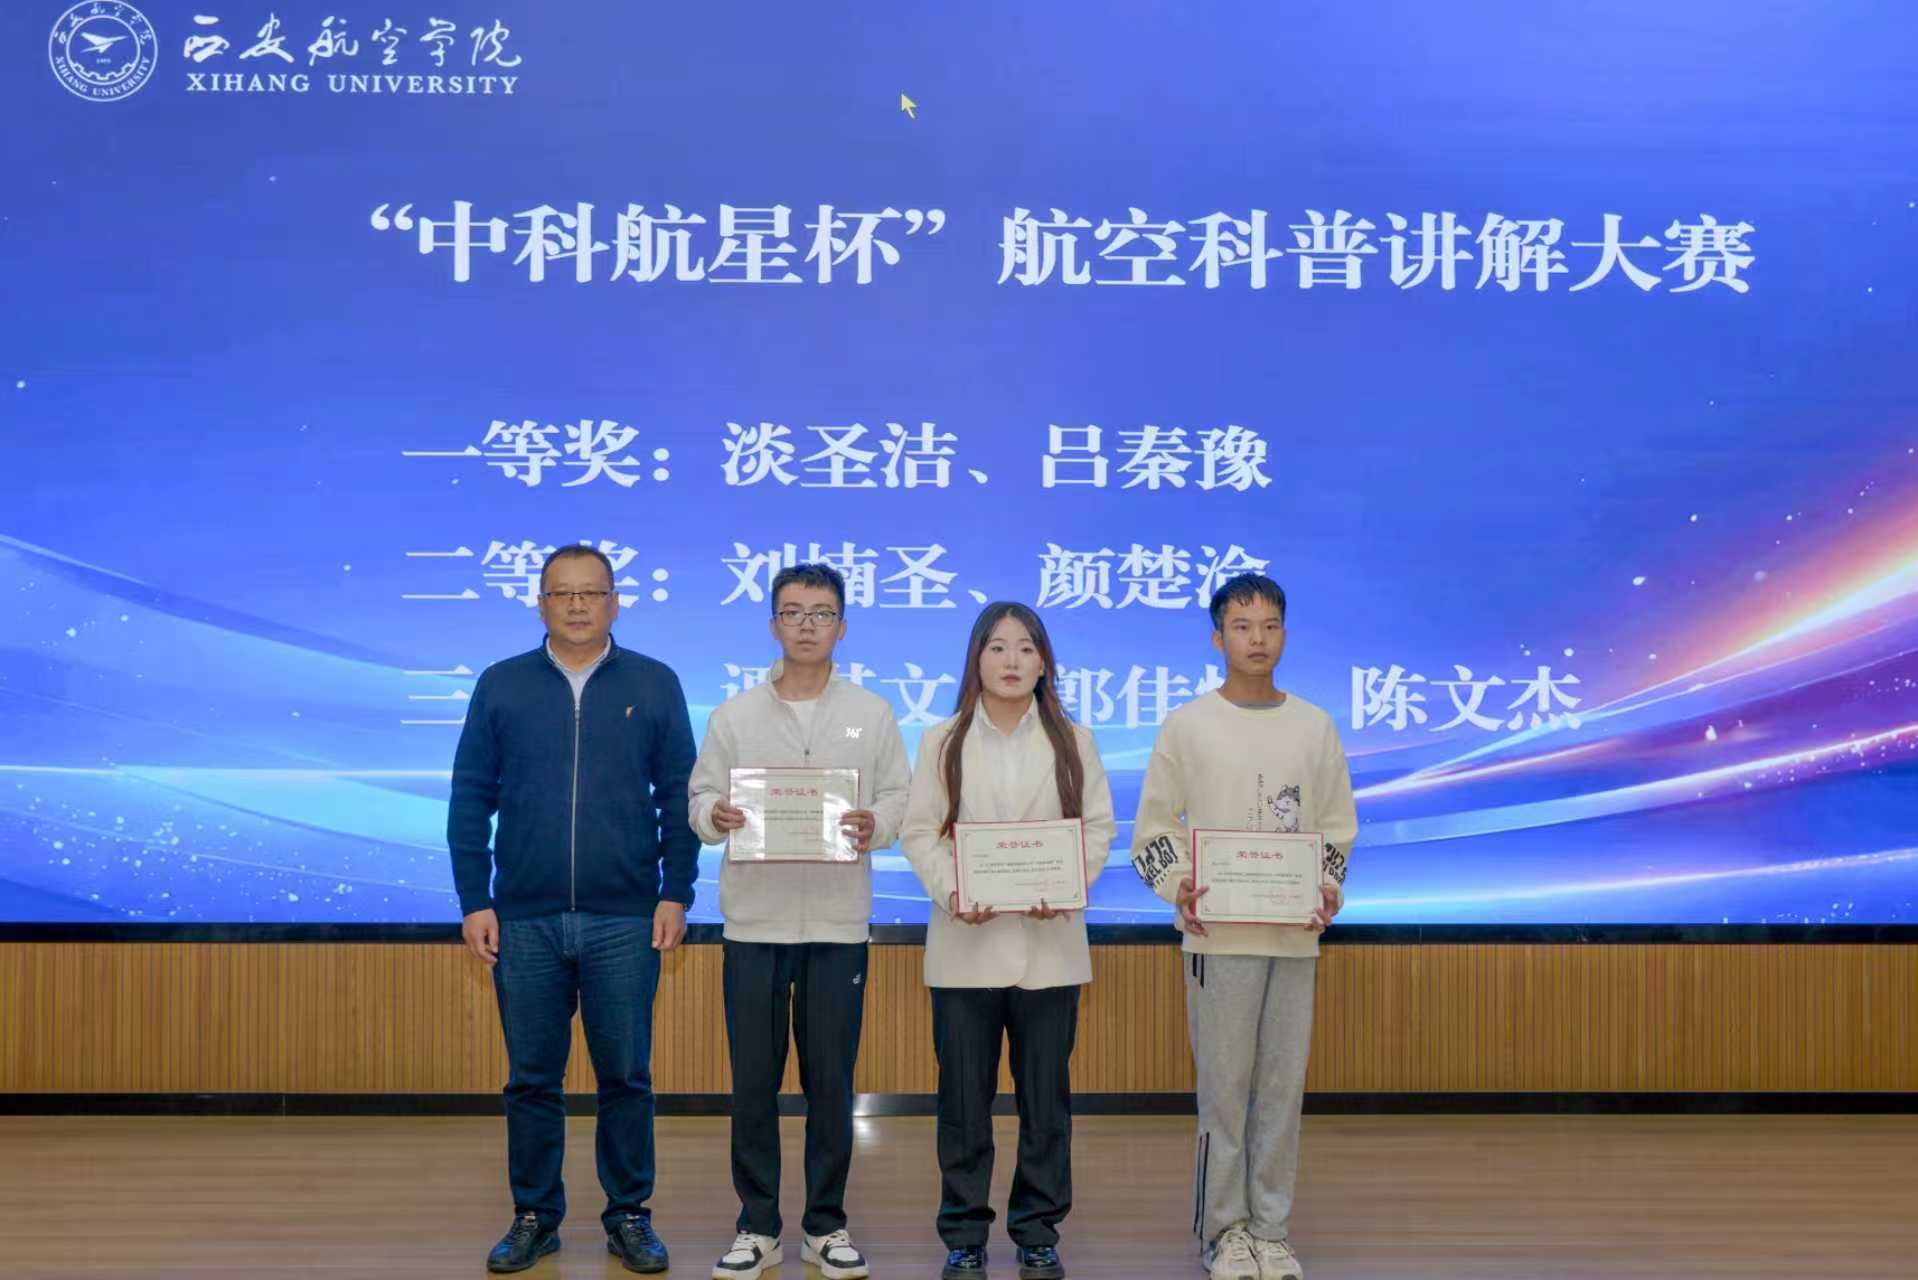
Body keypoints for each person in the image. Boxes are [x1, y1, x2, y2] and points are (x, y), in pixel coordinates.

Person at [448, 544, 698, 1275]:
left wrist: (676, 891)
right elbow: (471, 798)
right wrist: (474, 899)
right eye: (563, 593)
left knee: (626, 1078)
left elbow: (679, 796)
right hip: (523, 918)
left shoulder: (654, 682)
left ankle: (629, 1216)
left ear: (615, 602)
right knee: (532, 1079)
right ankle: (535, 1216)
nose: (579, 605)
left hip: (626, 916)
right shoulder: (502, 684)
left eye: (592, 592)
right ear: (542, 603)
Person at [1129, 573, 1357, 1280]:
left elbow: (1337, 828)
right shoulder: (1188, 725)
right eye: (1241, 626)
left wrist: (1327, 887)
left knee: (1283, 1092)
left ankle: (1272, 1230)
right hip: (1217, 939)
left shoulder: (1314, 726)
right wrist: (1179, 885)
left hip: (1293, 938)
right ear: (1217, 638)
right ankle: (1224, 1232)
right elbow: (1152, 829)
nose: (1257, 639)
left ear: (1285, 634)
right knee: (1223, 1095)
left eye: (1269, 625)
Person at [688, 562, 912, 1280]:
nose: (807, 625)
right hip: (754, 925)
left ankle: (825, 1224)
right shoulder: (734, 716)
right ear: (773, 624)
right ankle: (757, 1226)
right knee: (753, 1083)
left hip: (837, 927)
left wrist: (875, 823)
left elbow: (899, 798)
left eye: (821, 613)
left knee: (830, 1084)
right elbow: (699, 798)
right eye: (793, 612)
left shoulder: (872, 712)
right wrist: (716, 816)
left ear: (842, 627)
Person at [900, 602, 1116, 1280]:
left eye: (1026, 647)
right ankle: (964, 1234)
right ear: (977, 659)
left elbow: (1098, 828)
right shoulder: (942, 740)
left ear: (1044, 661)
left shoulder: (1073, 740)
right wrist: (954, 892)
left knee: (1045, 1103)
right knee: (964, 1104)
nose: (1012, 660)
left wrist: (1069, 883)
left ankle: (1037, 1230)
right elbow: (919, 832)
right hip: (965, 947)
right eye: (998, 647)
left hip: (1050, 946)